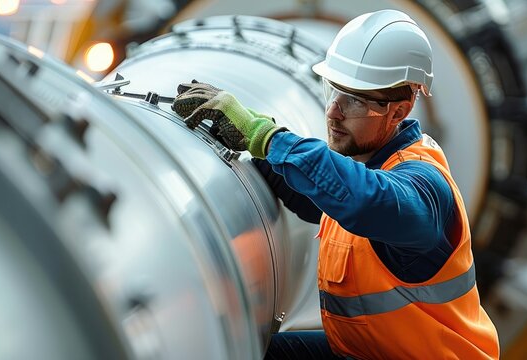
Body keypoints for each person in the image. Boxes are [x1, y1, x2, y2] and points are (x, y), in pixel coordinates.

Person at [172, 9, 499, 360]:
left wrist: (264, 136)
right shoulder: (367, 168)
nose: (334, 112)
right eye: (333, 91)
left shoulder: (422, 187)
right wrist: (255, 156)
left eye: (355, 101)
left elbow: (365, 201)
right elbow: (318, 192)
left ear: (400, 111)